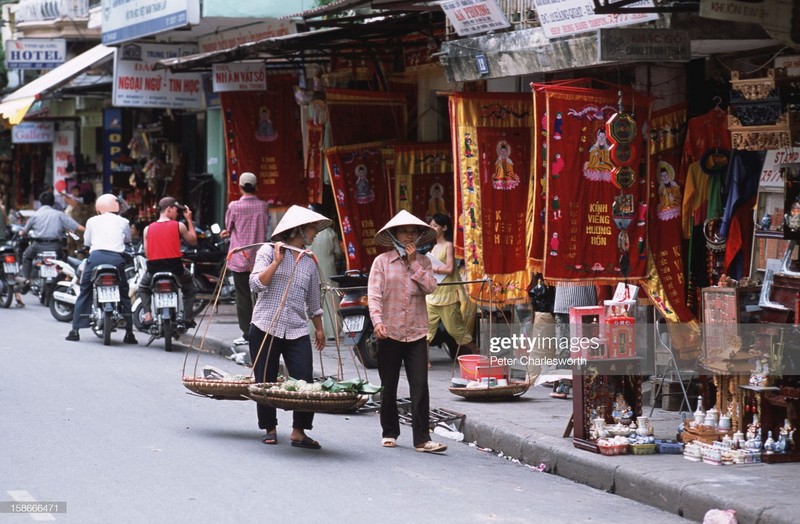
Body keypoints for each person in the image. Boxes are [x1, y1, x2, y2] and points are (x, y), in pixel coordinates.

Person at [248, 205, 329, 449]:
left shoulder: (309, 263)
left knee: (304, 379)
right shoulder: (267, 251)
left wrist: (319, 328)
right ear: (300, 230)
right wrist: (277, 261)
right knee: (265, 379)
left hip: (295, 329)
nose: (315, 233)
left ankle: (299, 431)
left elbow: (313, 301)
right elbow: (255, 284)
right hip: (265, 325)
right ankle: (269, 428)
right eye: (312, 228)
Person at [368, 210, 447, 453]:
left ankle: (422, 439)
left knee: (420, 385)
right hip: (388, 332)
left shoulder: (423, 262)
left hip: (416, 332)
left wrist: (414, 264)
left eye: (413, 231)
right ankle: (389, 431)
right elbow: (374, 295)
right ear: (394, 235)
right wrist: (378, 321)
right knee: (389, 385)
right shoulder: (381, 262)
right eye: (405, 231)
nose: (409, 235)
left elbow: (431, 288)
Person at [65, 194, 137, 344]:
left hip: (95, 259)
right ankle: (129, 333)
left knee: (85, 290)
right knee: (124, 292)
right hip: (116, 260)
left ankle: (75, 331)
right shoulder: (123, 221)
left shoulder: (92, 221)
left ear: (99, 208)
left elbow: (87, 241)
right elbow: (128, 240)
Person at [220, 172, 269, 345]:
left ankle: (247, 333)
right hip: (261, 258)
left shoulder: (234, 206)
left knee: (243, 297)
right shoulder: (263, 206)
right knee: (260, 296)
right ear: (256, 187)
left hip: (240, 257)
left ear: (240, 187)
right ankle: (261, 332)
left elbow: (229, 226)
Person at [138, 196, 197, 328]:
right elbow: (193, 240)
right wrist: (189, 219)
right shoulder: (179, 226)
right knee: (190, 287)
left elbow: (147, 254)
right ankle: (187, 317)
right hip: (176, 269)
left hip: (154, 270)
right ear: (169, 209)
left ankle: (147, 315)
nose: (177, 213)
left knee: (143, 288)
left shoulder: (147, 229)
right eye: (176, 210)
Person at [426, 214, 478, 362]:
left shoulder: (448, 245)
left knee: (455, 329)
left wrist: (432, 268)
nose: (432, 228)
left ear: (444, 228)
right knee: (426, 331)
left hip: (447, 296)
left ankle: (475, 349)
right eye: (430, 226)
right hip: (432, 295)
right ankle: (423, 360)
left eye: (435, 226)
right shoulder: (434, 247)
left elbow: (449, 269)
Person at [18, 191, 85, 288]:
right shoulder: (59, 215)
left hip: (38, 246)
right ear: (53, 202)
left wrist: (21, 233)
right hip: (55, 246)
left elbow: (24, 231)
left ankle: (26, 279)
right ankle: (66, 278)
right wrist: (92, 230)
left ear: (40, 202)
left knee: (26, 256)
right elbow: (78, 227)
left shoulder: (35, 215)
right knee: (64, 259)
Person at [306, 203, 342, 340]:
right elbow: (338, 253)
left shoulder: (306, 233)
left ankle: (311, 332)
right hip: (328, 269)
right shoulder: (330, 232)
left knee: (311, 300)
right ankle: (333, 332)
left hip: (310, 270)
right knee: (330, 300)